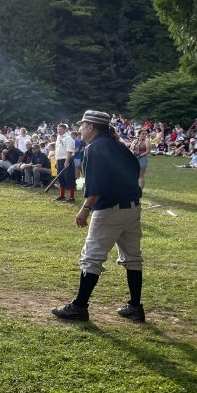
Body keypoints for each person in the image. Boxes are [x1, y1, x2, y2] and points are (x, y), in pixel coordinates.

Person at [52, 110, 145, 322]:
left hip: (110, 209)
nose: (80, 129)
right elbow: (135, 169)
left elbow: (97, 186)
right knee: (133, 257)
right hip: (132, 208)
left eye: (82, 125)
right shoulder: (117, 144)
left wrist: (85, 209)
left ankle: (79, 307)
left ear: (91, 127)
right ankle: (135, 306)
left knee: (91, 257)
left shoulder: (95, 148)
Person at [53, 123, 77, 202]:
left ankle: (72, 197)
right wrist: (57, 160)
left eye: (60, 129)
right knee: (61, 178)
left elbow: (69, 151)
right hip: (59, 160)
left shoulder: (68, 138)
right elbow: (58, 150)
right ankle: (62, 196)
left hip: (67, 160)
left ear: (65, 130)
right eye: (58, 129)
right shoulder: (58, 138)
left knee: (69, 178)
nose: (58, 131)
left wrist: (67, 161)